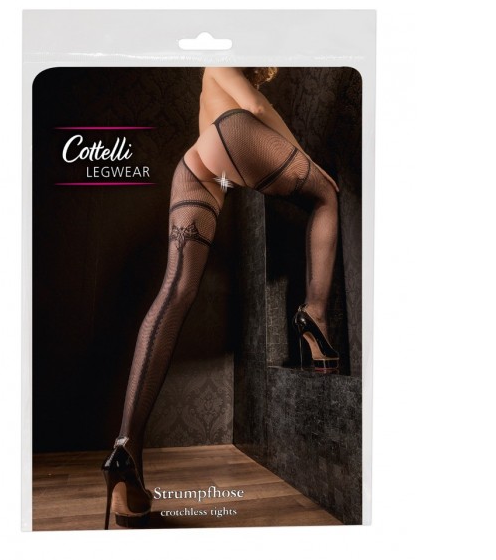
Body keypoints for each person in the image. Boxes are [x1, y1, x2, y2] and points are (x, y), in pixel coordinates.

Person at [102, 67, 340, 529]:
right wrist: (303, 156)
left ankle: (126, 450)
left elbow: (221, 142)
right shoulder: (220, 58)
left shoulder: (209, 81)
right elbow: (253, 107)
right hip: (230, 134)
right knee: (326, 194)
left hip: (195, 166)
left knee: (175, 291)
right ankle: (315, 315)